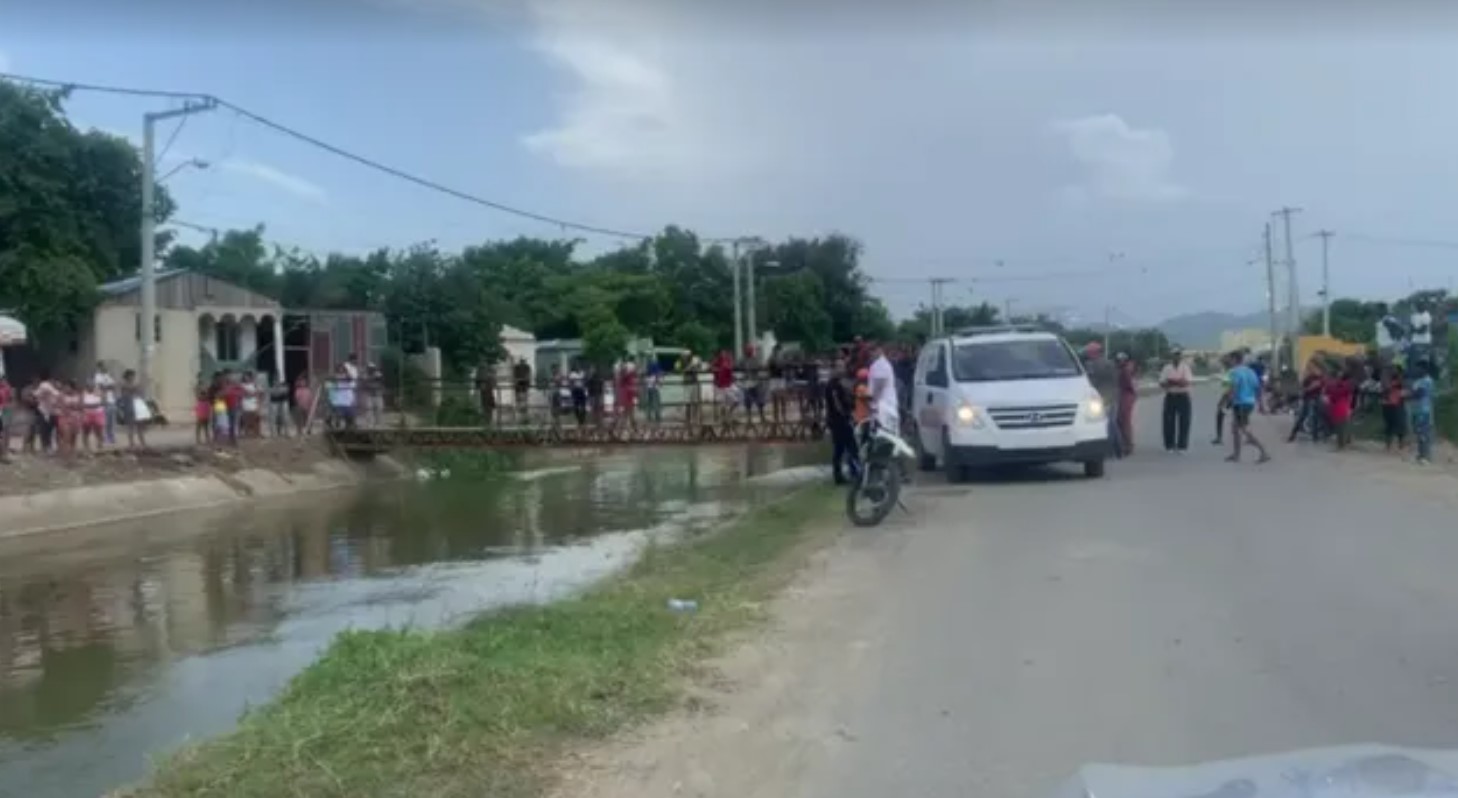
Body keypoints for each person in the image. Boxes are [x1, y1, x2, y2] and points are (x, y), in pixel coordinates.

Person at [1224, 350, 1270, 464]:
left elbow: (1234, 387)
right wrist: (1261, 405)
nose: (1228, 361)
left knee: (1244, 429)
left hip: (1240, 403)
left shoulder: (1234, 372)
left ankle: (1264, 452)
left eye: (1230, 359)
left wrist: (1228, 401)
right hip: (1249, 402)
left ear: (1234, 359)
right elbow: (1257, 388)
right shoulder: (1250, 371)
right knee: (1235, 428)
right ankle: (1236, 454)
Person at [1083, 342, 1121, 458]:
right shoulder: (1110, 364)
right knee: (1112, 424)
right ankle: (1117, 449)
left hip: (1100, 398)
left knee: (1104, 425)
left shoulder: (1092, 365)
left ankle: (1108, 450)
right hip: (1112, 396)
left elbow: (1091, 382)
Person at [824, 358, 859, 484]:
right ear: (834, 369)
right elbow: (838, 405)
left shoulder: (838, 384)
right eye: (839, 366)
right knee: (849, 447)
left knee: (842, 449)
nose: (842, 369)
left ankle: (844, 474)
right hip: (839, 421)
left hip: (839, 420)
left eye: (843, 366)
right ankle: (851, 473)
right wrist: (848, 416)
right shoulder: (833, 386)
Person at [1158, 348, 1194, 453]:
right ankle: (1169, 445)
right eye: (1174, 355)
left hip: (1183, 396)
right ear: (1172, 356)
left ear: (1180, 356)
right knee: (1168, 422)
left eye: (1178, 355)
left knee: (1184, 422)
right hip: (1170, 396)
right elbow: (1162, 383)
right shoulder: (1167, 368)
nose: (1176, 357)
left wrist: (1172, 382)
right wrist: (1177, 382)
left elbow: (1186, 382)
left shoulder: (1185, 367)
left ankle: (1182, 446)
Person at [1288, 360, 1327, 442]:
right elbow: (1303, 387)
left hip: (1316, 397)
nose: (1310, 368)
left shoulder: (1321, 377)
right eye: (1309, 367)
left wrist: (1311, 387)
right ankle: (1293, 434)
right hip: (1308, 398)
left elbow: (1321, 386)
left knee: (1317, 416)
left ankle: (1315, 437)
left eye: (1312, 366)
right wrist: (1308, 387)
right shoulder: (1308, 377)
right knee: (1303, 416)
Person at [1409, 360, 1436, 465]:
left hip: (1424, 410)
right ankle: (1420, 455)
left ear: (1424, 369)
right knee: (1419, 433)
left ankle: (1426, 456)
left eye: (1418, 368)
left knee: (1424, 433)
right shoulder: (1418, 381)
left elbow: (1419, 393)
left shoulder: (1427, 381)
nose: (1416, 370)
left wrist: (1409, 394)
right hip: (1417, 409)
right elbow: (1415, 393)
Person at [1325, 363, 1356, 450]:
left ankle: (1341, 445)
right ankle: (1344, 443)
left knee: (1340, 426)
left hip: (1341, 406)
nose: (1339, 374)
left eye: (1341, 373)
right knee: (1342, 425)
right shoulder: (1343, 384)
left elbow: (1333, 392)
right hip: (1340, 406)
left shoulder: (1344, 384)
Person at [1380, 364, 1408, 452]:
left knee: (1400, 424)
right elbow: (1385, 388)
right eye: (1391, 368)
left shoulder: (1401, 379)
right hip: (1388, 404)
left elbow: (1403, 388)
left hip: (1397, 404)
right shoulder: (1386, 378)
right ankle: (1388, 444)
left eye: (1394, 368)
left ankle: (1400, 444)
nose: (1392, 370)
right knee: (1389, 424)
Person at [1116, 353, 1137, 455]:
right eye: (1119, 360)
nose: (1120, 361)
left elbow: (1130, 385)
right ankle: (1125, 444)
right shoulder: (1126, 369)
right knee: (1121, 420)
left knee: (1124, 420)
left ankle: (1128, 445)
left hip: (1126, 395)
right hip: (1125, 395)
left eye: (1121, 360)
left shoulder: (1126, 370)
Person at [1212, 353, 1233, 446]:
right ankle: (1219, 437)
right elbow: (1225, 384)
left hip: (1230, 396)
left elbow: (1228, 385)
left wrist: (1226, 398)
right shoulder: (1226, 370)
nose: (1223, 363)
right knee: (1221, 414)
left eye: (1224, 361)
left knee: (1220, 414)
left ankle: (1219, 437)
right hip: (1229, 395)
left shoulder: (1231, 371)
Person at [94, 361, 117, 445]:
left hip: (112, 400)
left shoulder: (108, 375)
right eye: (102, 366)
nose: (104, 367)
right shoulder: (97, 376)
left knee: (112, 422)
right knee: (105, 422)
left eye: (105, 366)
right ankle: (106, 438)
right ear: (99, 367)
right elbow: (101, 386)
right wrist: (108, 387)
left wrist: (108, 387)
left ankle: (112, 438)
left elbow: (114, 386)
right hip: (104, 400)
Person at [512, 357, 532, 422]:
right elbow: (515, 375)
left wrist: (527, 381)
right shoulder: (517, 367)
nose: (522, 363)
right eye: (522, 361)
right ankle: (520, 406)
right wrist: (516, 381)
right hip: (519, 383)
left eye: (523, 362)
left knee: (524, 395)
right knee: (519, 396)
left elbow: (528, 375)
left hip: (524, 383)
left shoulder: (527, 367)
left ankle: (524, 407)